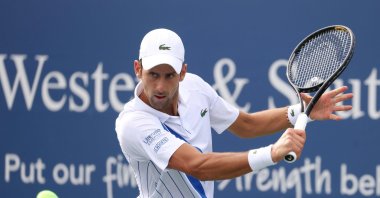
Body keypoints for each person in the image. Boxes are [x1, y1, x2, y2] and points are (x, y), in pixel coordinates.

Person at [115, 28, 353, 198]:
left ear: (183, 73)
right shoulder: (133, 123)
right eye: (153, 74)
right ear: (138, 69)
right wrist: (271, 153)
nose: (160, 86)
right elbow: (199, 166)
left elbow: (246, 125)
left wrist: (301, 111)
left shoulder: (195, 87)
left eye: (169, 76)